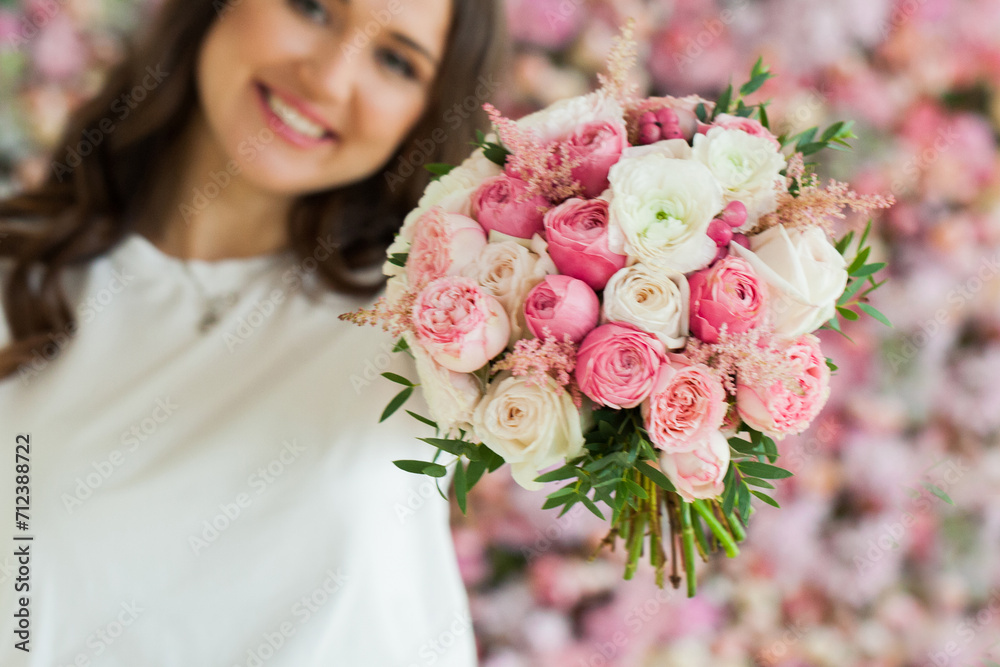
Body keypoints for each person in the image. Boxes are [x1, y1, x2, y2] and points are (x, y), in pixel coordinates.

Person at [0, 0, 504, 664]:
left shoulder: (445, 320)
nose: (328, 78)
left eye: (395, 60)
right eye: (312, 8)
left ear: (428, 112)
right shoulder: (23, 271)